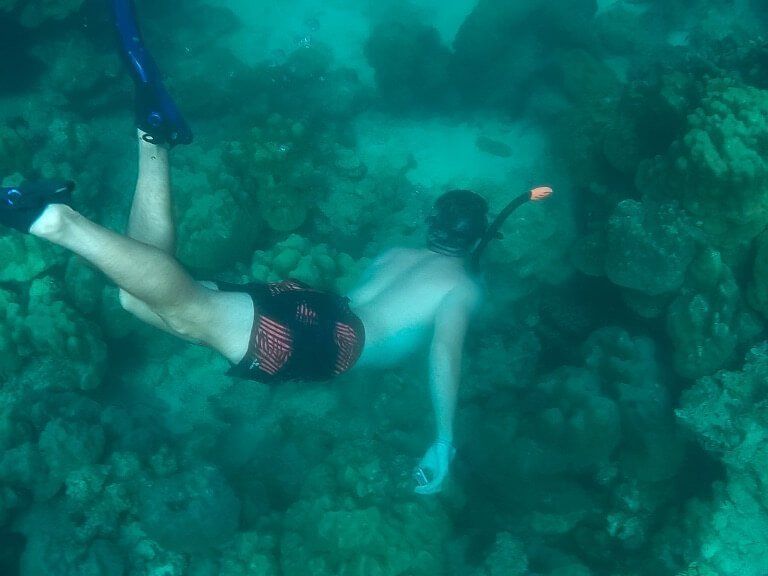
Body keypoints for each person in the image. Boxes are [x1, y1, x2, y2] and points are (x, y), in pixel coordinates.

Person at [0, 0, 551, 494]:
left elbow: (361, 304)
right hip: (334, 342)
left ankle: (153, 139)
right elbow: (445, 357)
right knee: (187, 309)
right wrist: (444, 440)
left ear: (432, 224)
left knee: (139, 300)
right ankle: (54, 221)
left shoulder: (399, 255)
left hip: (317, 309)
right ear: (478, 240)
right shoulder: (461, 288)